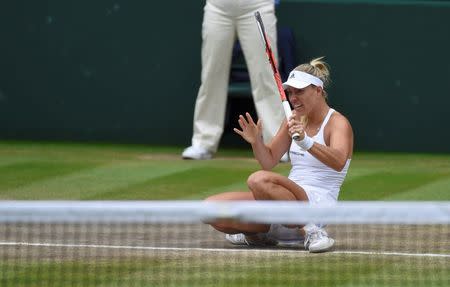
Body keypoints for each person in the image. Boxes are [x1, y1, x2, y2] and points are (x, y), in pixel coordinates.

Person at [205, 57, 354, 252]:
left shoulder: (338, 123)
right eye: (290, 92)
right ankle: (259, 236)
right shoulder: (293, 119)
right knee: (207, 209)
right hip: (283, 209)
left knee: (258, 180)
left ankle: (312, 231)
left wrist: (306, 142)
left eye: (299, 91)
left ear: (318, 90)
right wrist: (256, 141)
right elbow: (268, 161)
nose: (293, 98)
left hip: (315, 207)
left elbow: (339, 162)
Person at [182, 0, 285, 160]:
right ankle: (203, 142)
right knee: (211, 76)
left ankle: (278, 145)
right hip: (218, 7)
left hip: (257, 5)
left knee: (266, 77)